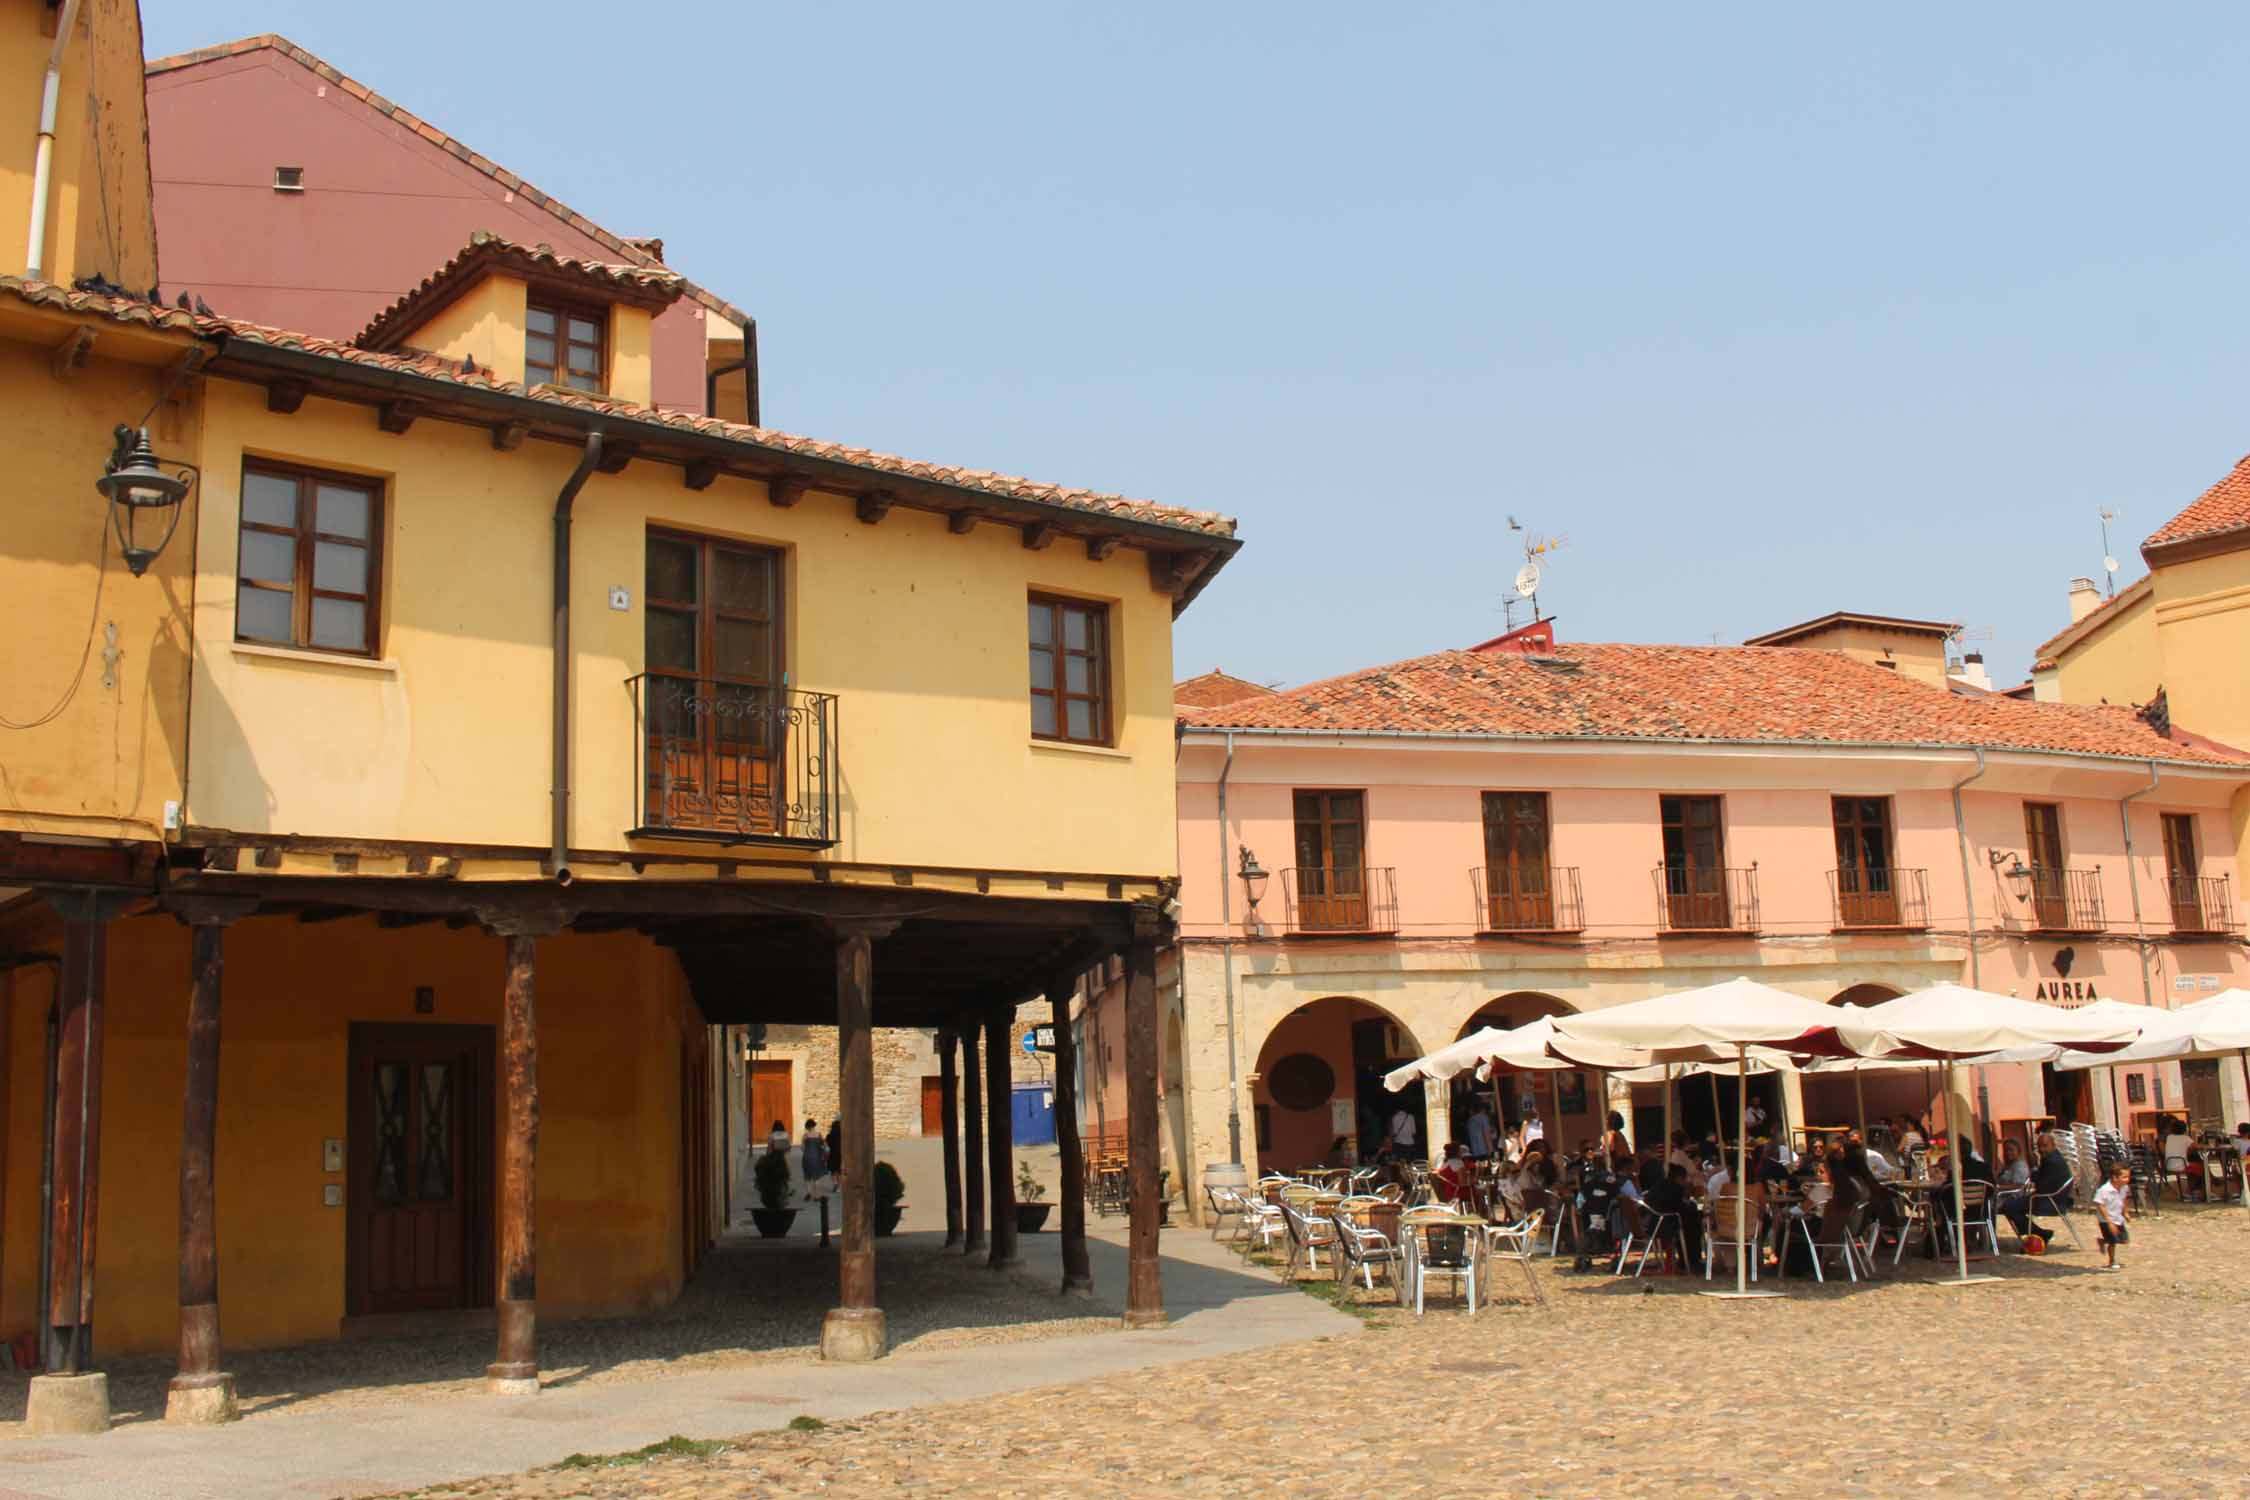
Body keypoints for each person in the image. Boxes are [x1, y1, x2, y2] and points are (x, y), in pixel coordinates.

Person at [2093, 1161, 2133, 1270]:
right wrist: (2109, 1221)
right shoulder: (2104, 1190)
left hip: (2118, 1218)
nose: (2127, 1179)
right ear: (2115, 1178)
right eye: (2124, 1177)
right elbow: (2099, 1204)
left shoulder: (2124, 1188)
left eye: (2128, 1177)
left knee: (2125, 1240)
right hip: (2106, 1220)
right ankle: (2112, 1261)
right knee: (2113, 1242)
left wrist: (2125, 1212)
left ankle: (2102, 1240)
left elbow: (2123, 1200)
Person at [800, 1120, 833, 1248]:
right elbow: (825, 1146)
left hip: (807, 1157)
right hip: (817, 1157)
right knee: (817, 1177)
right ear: (814, 1126)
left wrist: (807, 1150)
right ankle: (817, 1194)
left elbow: (802, 1147)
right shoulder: (819, 1135)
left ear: (807, 1127)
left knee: (807, 1177)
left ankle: (810, 1193)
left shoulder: (805, 1136)